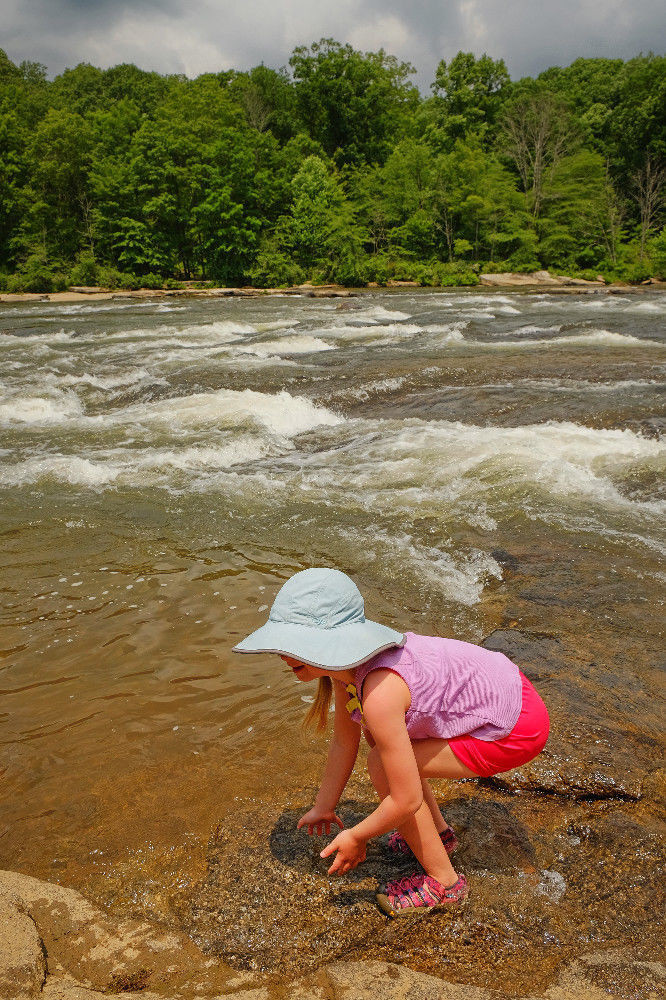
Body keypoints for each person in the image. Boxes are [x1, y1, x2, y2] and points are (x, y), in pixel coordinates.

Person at [233, 567, 549, 918]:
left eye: (294, 644)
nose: (282, 654)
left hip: (516, 726)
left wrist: (358, 835)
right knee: (380, 742)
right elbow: (343, 742)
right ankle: (439, 836)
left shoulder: (380, 692)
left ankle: (445, 883)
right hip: (503, 692)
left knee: (382, 763)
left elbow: (406, 797)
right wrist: (324, 805)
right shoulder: (346, 674)